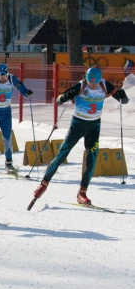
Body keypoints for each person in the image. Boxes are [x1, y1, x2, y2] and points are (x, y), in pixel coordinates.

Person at [32, 67, 129, 205]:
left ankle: (82, 193)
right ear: (87, 79)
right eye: (91, 82)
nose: (93, 85)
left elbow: (122, 100)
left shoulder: (105, 85)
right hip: (77, 125)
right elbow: (59, 100)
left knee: (92, 158)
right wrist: (65, 96)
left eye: (95, 83)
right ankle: (43, 184)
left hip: (94, 127)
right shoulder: (81, 85)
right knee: (62, 153)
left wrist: (123, 96)